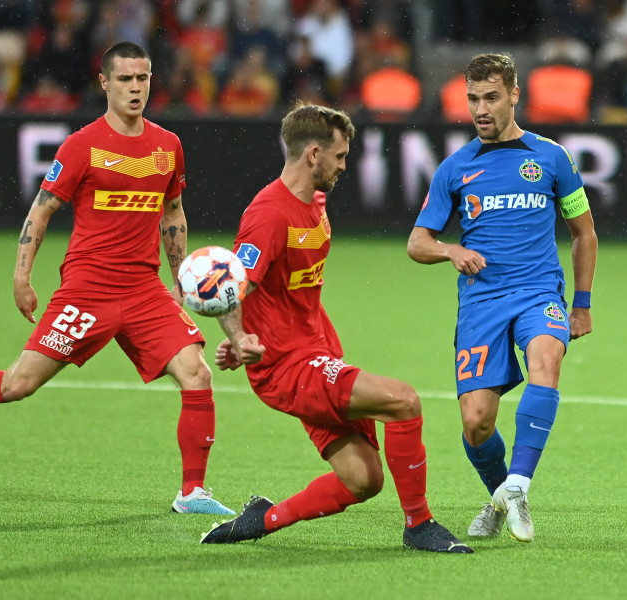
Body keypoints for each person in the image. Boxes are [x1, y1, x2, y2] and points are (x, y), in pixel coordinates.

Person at [0, 41, 235, 517]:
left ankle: (192, 492)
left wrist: (181, 281)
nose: (135, 88)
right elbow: (42, 211)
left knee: (196, 372)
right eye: (125, 79)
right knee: (19, 384)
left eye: (142, 78)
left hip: (144, 291)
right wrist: (22, 276)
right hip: (87, 290)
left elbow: (173, 213)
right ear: (104, 83)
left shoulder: (168, 146)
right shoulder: (83, 145)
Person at [200, 103, 472, 554]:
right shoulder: (269, 215)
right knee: (403, 400)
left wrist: (243, 338)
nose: (345, 165)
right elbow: (229, 284)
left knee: (363, 479)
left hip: (318, 355)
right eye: (341, 156)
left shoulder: (317, 203)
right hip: (287, 367)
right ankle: (419, 525)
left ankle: (261, 520)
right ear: (313, 154)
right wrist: (238, 338)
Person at [406, 52, 598, 542]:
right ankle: (503, 496)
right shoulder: (455, 167)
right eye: (473, 99)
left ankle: (518, 481)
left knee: (546, 358)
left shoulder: (552, 158)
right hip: (482, 301)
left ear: (515, 94)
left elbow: (584, 234)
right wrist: (451, 251)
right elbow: (417, 242)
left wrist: (581, 303)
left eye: (491, 97)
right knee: (476, 422)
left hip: (539, 292)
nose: (481, 109)